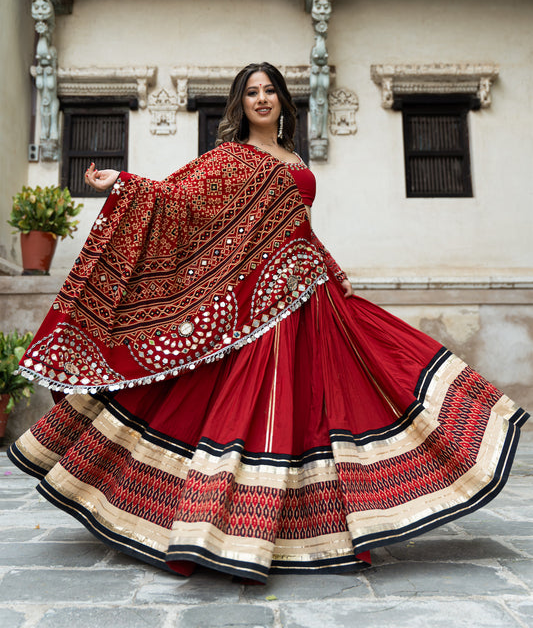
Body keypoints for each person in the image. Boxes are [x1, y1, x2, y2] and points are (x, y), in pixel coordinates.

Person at [8, 62, 529, 583]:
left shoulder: (294, 158)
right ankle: (223, 527)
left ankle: (323, 522)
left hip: (312, 298)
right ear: (242, 104)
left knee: (337, 396)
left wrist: (330, 264)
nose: (261, 99)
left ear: (283, 100)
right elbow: (178, 200)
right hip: (261, 311)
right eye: (251, 92)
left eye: (269, 91)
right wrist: (121, 183)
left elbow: (298, 226)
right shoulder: (229, 159)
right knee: (256, 408)